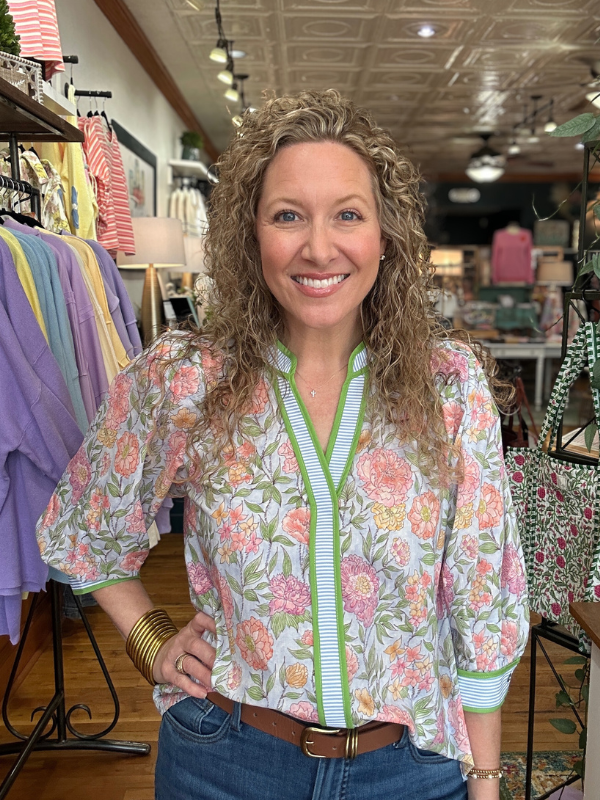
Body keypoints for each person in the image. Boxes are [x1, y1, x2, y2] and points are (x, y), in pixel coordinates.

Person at [37, 90, 529, 800]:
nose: (319, 247)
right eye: (288, 215)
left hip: (407, 770)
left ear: (384, 236)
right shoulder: (188, 380)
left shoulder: (447, 387)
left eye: (348, 216)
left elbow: (483, 597)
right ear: (252, 234)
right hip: (225, 762)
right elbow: (86, 525)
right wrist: (149, 639)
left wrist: (484, 780)